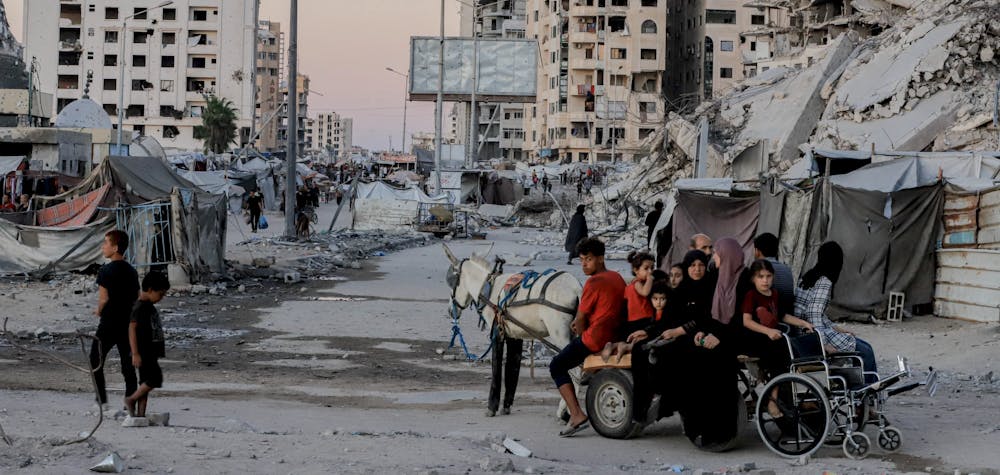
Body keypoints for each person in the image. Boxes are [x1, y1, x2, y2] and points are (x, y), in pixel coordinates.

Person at [549, 237, 626, 437]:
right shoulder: (617, 277)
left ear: (600, 258)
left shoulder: (594, 282)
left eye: (588, 259)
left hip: (596, 339)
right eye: (582, 259)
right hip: (614, 334)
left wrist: (579, 331)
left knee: (556, 365)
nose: (584, 264)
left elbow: (581, 318)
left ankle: (576, 414)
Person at [795, 241, 878, 384]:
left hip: (805, 331)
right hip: (811, 334)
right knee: (866, 352)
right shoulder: (824, 281)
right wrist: (824, 344)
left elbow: (817, 312)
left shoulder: (809, 276)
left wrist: (836, 328)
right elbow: (814, 314)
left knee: (865, 347)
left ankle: (863, 391)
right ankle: (867, 393)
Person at [739, 259, 814, 383]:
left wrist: (803, 323)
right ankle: (773, 396)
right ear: (753, 279)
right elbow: (746, 321)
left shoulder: (774, 293)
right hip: (756, 339)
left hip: (773, 337)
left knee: (790, 344)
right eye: (761, 277)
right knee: (779, 352)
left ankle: (787, 388)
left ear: (773, 276)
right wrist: (768, 331)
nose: (765, 280)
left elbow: (782, 316)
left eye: (768, 276)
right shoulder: (751, 295)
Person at [89, 230, 140, 409]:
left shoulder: (105, 270)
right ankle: (130, 403)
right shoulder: (132, 271)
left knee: (95, 359)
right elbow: (137, 299)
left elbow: (104, 298)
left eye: (106, 243)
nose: (103, 247)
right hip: (127, 324)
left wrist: (98, 310)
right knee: (128, 366)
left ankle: (101, 400)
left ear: (115, 247)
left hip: (109, 324)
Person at [124, 271, 170, 419]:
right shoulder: (140, 307)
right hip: (144, 351)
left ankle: (140, 414)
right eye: (160, 294)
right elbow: (131, 328)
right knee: (155, 379)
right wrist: (135, 353)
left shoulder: (148, 306)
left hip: (150, 350)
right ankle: (131, 399)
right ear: (150, 289)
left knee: (145, 383)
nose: (161, 298)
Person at [600, 251, 655, 362]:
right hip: (643, 319)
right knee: (646, 339)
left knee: (629, 339)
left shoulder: (629, 287)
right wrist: (650, 279)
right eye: (646, 268)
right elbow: (645, 292)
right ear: (636, 270)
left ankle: (612, 345)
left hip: (631, 321)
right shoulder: (638, 283)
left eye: (652, 268)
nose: (650, 271)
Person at [754, 232, 795, 317]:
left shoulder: (758, 269)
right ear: (776, 252)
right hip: (787, 316)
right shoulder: (787, 270)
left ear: (757, 251)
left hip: (769, 318)